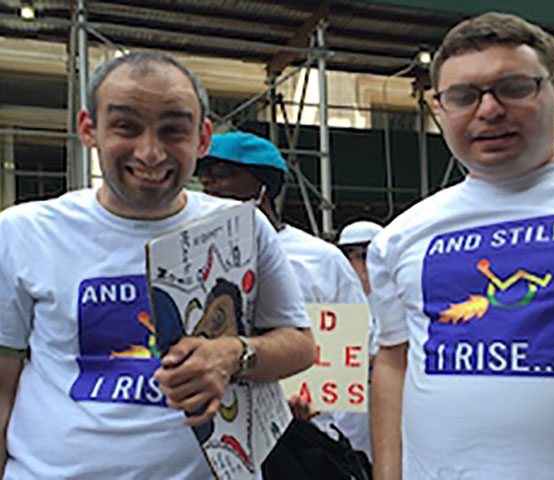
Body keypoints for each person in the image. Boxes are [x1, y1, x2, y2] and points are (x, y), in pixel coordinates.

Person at [0, 52, 315, 480]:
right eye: (126, 126)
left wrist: (233, 353)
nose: (150, 153)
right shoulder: (22, 232)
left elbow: (300, 344)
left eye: (173, 131)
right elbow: (3, 386)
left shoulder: (243, 228)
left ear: (202, 139)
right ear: (88, 129)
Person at [367, 12, 554, 480]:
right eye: (463, 96)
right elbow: (395, 358)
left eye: (513, 88)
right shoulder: (400, 235)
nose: (488, 110)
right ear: (440, 110)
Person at [197, 132, 373, 461]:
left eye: (221, 171)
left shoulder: (322, 260)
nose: (207, 181)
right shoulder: (196, 259)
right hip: (221, 435)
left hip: (305, 439)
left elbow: (356, 351)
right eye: (202, 172)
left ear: (263, 183)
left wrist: (322, 409)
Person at [334, 220, 383, 460]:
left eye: (366, 255)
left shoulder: (398, 297)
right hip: (346, 403)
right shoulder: (333, 295)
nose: (361, 265)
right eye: (354, 256)